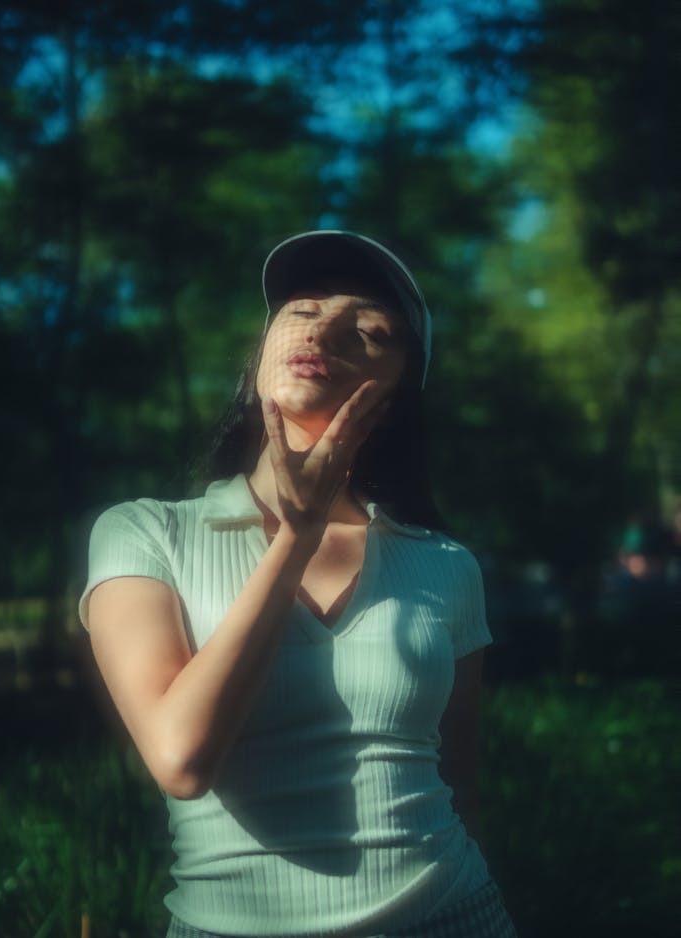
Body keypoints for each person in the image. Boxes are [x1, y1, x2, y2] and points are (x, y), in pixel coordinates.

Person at [80, 231, 517, 938]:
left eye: (370, 330)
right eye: (303, 308)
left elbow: (458, 784)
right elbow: (181, 760)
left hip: (456, 916)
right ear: (259, 354)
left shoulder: (443, 564)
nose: (324, 328)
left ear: (399, 397)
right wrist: (297, 536)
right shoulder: (143, 533)